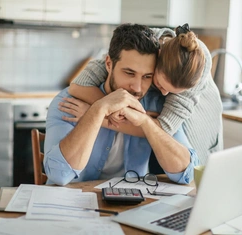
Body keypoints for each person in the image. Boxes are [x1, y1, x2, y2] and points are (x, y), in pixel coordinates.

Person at [44, 23, 199, 186]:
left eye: (147, 76)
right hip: (75, 204)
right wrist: (98, 109)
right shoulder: (71, 101)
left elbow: (187, 173)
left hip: (131, 206)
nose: (138, 88)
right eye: (129, 73)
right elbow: (59, 175)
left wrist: (147, 123)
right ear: (109, 64)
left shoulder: (157, 105)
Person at [67, 24, 223, 166]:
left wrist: (97, 116)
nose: (163, 93)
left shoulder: (197, 66)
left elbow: (162, 129)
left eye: (172, 93)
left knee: (195, 175)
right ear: (157, 59)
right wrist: (111, 108)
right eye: (160, 84)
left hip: (199, 128)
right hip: (153, 141)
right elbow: (77, 86)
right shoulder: (144, 46)